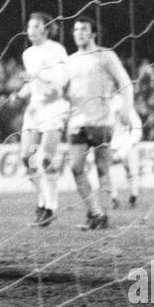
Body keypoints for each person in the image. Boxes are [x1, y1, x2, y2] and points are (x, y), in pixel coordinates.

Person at [63, 17, 136, 230]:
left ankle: (100, 215)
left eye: (84, 29)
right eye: (76, 30)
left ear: (93, 33)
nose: (79, 33)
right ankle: (95, 211)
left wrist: (125, 109)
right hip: (77, 121)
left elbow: (125, 82)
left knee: (102, 169)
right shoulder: (70, 60)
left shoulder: (105, 55)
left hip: (102, 122)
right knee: (76, 168)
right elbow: (66, 90)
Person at [17, 13, 69, 226]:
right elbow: (32, 83)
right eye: (29, 26)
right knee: (27, 158)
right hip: (35, 108)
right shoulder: (28, 54)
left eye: (36, 26)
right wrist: (20, 93)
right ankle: (42, 201)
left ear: (46, 29)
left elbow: (62, 79)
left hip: (54, 107)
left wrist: (39, 77)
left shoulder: (57, 50)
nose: (31, 30)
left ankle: (51, 205)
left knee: (46, 159)